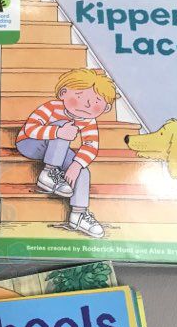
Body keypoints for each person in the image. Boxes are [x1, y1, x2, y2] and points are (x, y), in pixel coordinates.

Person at [15, 68, 116, 239]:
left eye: (96, 101)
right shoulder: (51, 107)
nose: (87, 105)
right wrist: (57, 132)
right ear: (63, 93)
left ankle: (78, 214)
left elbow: (91, 146)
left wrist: (76, 165)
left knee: (83, 170)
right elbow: (30, 129)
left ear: (105, 108)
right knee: (64, 127)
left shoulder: (88, 120)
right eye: (80, 96)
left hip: (57, 149)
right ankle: (49, 172)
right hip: (30, 143)